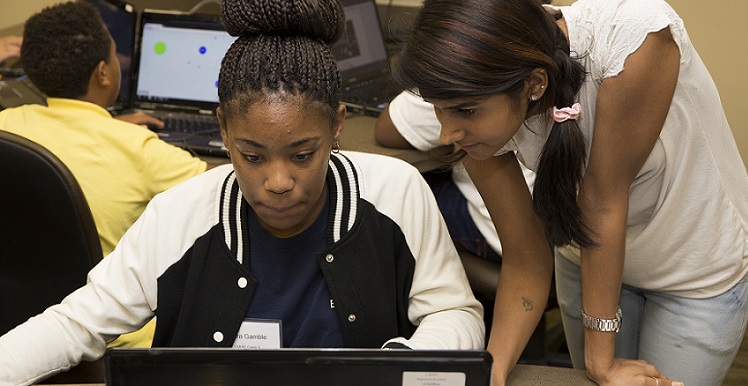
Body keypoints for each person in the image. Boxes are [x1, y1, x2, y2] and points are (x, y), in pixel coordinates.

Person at [0, 0, 485, 383]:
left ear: (337, 126)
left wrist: (403, 366)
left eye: (302, 154)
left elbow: (454, 311)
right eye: (252, 156)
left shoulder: (395, 192)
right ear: (224, 133)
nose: (277, 182)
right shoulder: (180, 214)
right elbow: (75, 324)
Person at [391, 0, 748, 385]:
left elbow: (602, 203)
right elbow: (526, 257)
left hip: (689, 272)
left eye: (463, 111)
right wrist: (489, 373)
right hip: (588, 262)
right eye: (438, 110)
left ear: (534, 85)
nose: (447, 134)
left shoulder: (635, 40)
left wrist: (603, 364)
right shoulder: (475, 91)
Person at [0, 1, 211, 349]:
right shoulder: (138, 149)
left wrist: (106, 125)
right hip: (113, 339)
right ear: (103, 73)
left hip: (22, 327)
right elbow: (234, 185)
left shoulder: (7, 125)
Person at [376, 90, 536, 264]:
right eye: (436, 108)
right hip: (538, 244)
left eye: (466, 111)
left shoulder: (482, 142)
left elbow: (387, 130)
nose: (445, 137)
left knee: (389, 203)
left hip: (517, 241)